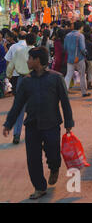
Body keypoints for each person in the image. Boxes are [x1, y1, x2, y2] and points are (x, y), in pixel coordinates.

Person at [2, 47, 74, 199]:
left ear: (37, 61)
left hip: (52, 124)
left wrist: (69, 122)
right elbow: (18, 104)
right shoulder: (26, 81)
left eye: (29, 59)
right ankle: (39, 187)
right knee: (33, 158)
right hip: (32, 125)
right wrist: (8, 123)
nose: (27, 61)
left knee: (53, 154)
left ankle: (54, 168)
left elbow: (65, 102)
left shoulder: (56, 78)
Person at [6, 33, 36, 144]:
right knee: (35, 107)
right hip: (34, 79)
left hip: (21, 79)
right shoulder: (37, 51)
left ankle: (16, 134)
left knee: (19, 107)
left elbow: (10, 67)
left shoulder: (18, 52)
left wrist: (9, 76)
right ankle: (34, 134)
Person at [64, 21, 90, 97]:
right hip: (79, 58)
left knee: (68, 75)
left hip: (70, 58)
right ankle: (84, 92)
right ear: (81, 27)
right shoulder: (80, 36)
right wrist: (86, 54)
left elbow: (65, 48)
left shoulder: (67, 35)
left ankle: (64, 91)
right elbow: (82, 48)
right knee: (82, 75)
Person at [83, 25, 92, 90]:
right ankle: (89, 83)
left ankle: (84, 84)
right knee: (90, 71)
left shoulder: (82, 40)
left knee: (83, 72)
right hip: (90, 58)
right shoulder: (91, 42)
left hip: (82, 58)